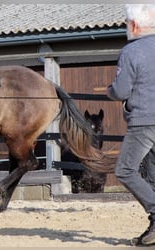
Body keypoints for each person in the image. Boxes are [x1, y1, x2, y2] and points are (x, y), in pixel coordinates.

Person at [107, 4, 155, 246]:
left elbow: (121, 90)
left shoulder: (132, 51)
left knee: (124, 170)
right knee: (154, 174)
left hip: (145, 121)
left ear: (135, 25)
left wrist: (110, 92)